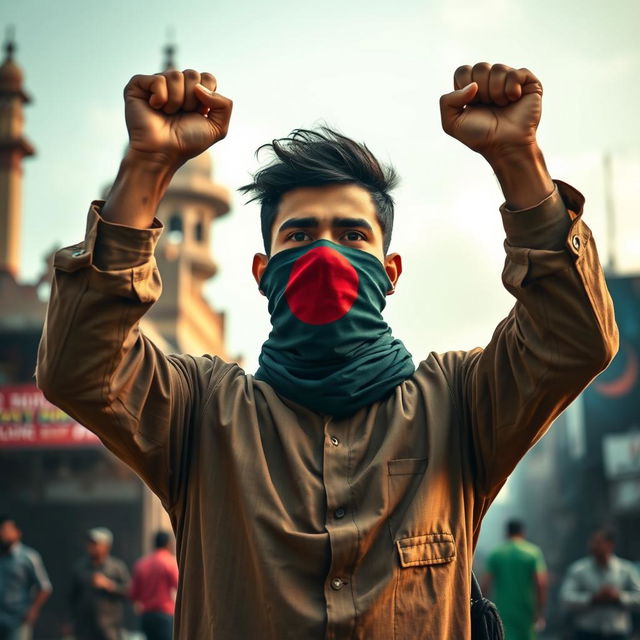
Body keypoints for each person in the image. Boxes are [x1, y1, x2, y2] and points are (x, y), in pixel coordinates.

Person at [36, 62, 618, 639]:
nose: (325, 254)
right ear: (263, 272)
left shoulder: (459, 406)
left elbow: (573, 337)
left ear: (390, 271)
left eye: (352, 235)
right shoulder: (201, 414)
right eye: (298, 235)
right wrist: (147, 165)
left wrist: (518, 158)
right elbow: (80, 365)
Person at [560, 528, 640, 640]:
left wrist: (619, 597)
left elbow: (638, 597)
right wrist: (593, 598)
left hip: (617, 632)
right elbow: (566, 598)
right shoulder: (578, 570)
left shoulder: (626, 569)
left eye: (598, 543)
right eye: (592, 542)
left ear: (610, 545)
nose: (594, 546)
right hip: (587, 632)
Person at [483, 519, 547, 639]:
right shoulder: (533, 552)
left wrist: (484, 608)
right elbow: (541, 584)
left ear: (506, 533)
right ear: (523, 533)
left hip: (502, 610)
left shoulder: (496, 553)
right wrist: (540, 611)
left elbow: (486, 583)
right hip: (526, 610)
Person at [69, 527, 130, 640]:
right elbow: (72, 597)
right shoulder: (80, 567)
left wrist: (109, 585)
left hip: (109, 627)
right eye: (90, 543)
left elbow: (129, 592)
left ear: (107, 546)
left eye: (96, 544)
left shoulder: (117, 567)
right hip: (84, 628)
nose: (92, 547)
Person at [0, 516, 52, 640]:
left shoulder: (28, 557)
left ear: (17, 532)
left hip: (18, 618)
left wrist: (33, 610)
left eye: (6, 530)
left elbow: (44, 587)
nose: (3, 534)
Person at [130, 530, 179, 640]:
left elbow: (133, 594)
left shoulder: (141, 564)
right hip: (164, 614)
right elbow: (179, 586)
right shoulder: (169, 562)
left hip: (146, 615)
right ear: (168, 544)